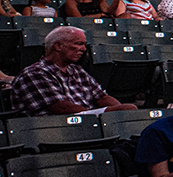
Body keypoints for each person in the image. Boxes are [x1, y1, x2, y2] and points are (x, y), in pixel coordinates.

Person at [9, 26, 138, 115]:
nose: (83, 49)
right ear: (58, 46)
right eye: (78, 44)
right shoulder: (35, 73)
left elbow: (101, 97)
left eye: (84, 45)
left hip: (86, 121)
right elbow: (61, 107)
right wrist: (102, 116)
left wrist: (118, 112)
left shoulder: (77, 71)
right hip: (56, 127)